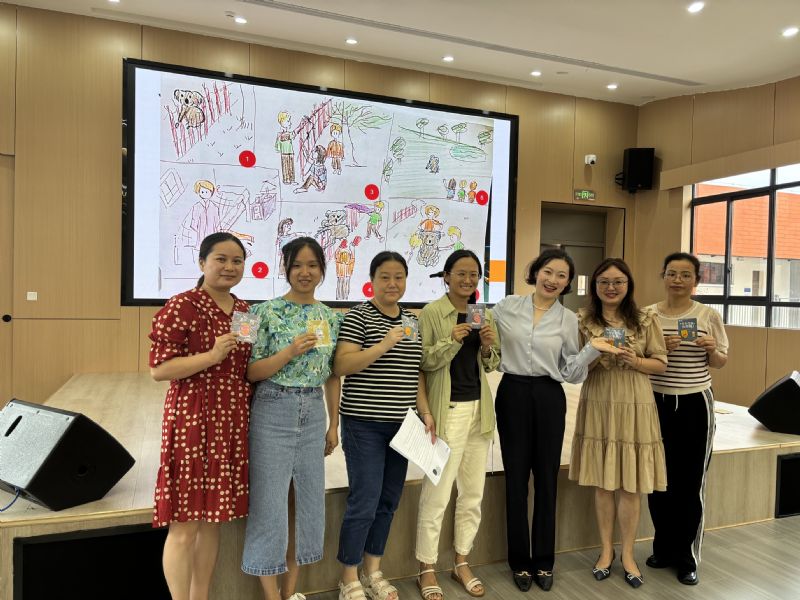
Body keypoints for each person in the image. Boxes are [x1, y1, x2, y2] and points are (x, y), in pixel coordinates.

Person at [492, 248, 619, 592]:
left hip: (549, 396)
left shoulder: (567, 319)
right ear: (536, 272)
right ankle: (520, 561)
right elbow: (488, 345)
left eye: (561, 276)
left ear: (567, 283)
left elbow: (571, 372)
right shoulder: (506, 307)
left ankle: (544, 561)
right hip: (512, 392)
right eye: (548, 271)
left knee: (547, 479)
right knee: (516, 479)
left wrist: (592, 349)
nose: (553, 280)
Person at [149, 232, 252, 600]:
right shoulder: (182, 305)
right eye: (221, 259)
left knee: (213, 522)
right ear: (202, 263)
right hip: (191, 420)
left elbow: (245, 369)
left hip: (232, 420)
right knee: (184, 524)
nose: (229, 267)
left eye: (237, 261)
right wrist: (210, 356)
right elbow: (160, 370)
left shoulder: (245, 310)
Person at [241, 237, 342, 600]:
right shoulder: (258, 312)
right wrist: (289, 352)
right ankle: (272, 596)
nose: (305, 272)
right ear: (284, 267)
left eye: (312, 265)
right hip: (272, 407)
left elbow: (332, 374)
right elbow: (248, 373)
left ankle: (291, 593)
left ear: (322, 270)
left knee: (307, 503)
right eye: (297, 265)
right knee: (269, 505)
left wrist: (333, 424)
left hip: (313, 411)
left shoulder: (332, 317)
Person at [333, 251, 435, 600]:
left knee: (389, 500)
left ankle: (373, 571)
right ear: (372, 280)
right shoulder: (357, 317)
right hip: (363, 424)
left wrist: (425, 411)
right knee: (364, 500)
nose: (392, 284)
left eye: (398, 277)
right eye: (385, 277)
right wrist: (385, 342)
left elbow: (415, 371)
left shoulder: (411, 320)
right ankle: (348, 577)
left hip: (402, 426)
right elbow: (342, 365)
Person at [569, 258, 668, 589]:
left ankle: (627, 554)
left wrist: (634, 359)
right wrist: (594, 355)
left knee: (631, 484)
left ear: (628, 285)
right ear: (595, 286)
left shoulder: (646, 319)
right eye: (604, 282)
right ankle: (605, 551)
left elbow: (660, 363)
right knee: (603, 483)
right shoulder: (583, 320)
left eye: (618, 282)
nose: (611, 288)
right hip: (599, 400)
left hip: (636, 402)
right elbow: (574, 368)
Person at [415, 249, 500, 600]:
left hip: (480, 411)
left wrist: (487, 347)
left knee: (472, 493)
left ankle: (461, 561)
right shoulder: (433, 313)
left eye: (473, 274)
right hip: (447, 410)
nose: (467, 280)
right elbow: (423, 361)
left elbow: (492, 364)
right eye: (461, 273)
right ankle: (427, 566)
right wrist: (451, 340)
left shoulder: (482, 313)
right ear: (446, 276)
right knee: (437, 494)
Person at [645, 252, 729, 586]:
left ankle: (687, 556)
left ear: (696, 280)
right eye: (672, 273)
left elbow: (720, 361)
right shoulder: (648, 314)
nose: (677, 280)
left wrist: (710, 348)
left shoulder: (708, 315)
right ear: (663, 276)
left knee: (690, 482)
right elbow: (638, 356)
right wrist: (660, 348)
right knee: (657, 479)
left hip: (695, 402)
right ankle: (663, 548)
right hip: (654, 401)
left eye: (685, 275)